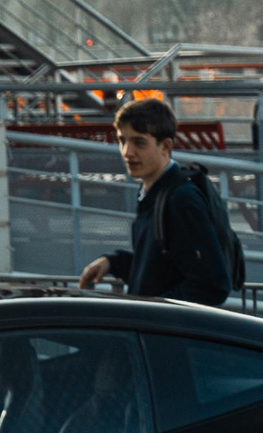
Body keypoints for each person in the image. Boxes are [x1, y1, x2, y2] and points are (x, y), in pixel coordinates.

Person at [77, 97, 237, 306]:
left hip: (164, 333)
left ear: (165, 146)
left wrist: (155, 312)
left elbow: (212, 286)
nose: (127, 152)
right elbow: (161, 268)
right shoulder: (155, 192)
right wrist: (114, 262)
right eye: (122, 140)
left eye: (139, 142)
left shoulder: (181, 199)